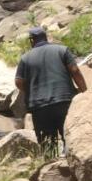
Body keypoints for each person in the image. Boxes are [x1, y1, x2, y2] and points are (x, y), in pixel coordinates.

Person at [14, 26, 87, 156]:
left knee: (48, 146)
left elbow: (18, 82)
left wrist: (32, 91)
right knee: (70, 139)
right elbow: (75, 71)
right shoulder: (61, 50)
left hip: (39, 106)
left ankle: (51, 170)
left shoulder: (25, 58)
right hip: (64, 101)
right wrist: (84, 92)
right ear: (45, 37)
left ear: (32, 40)